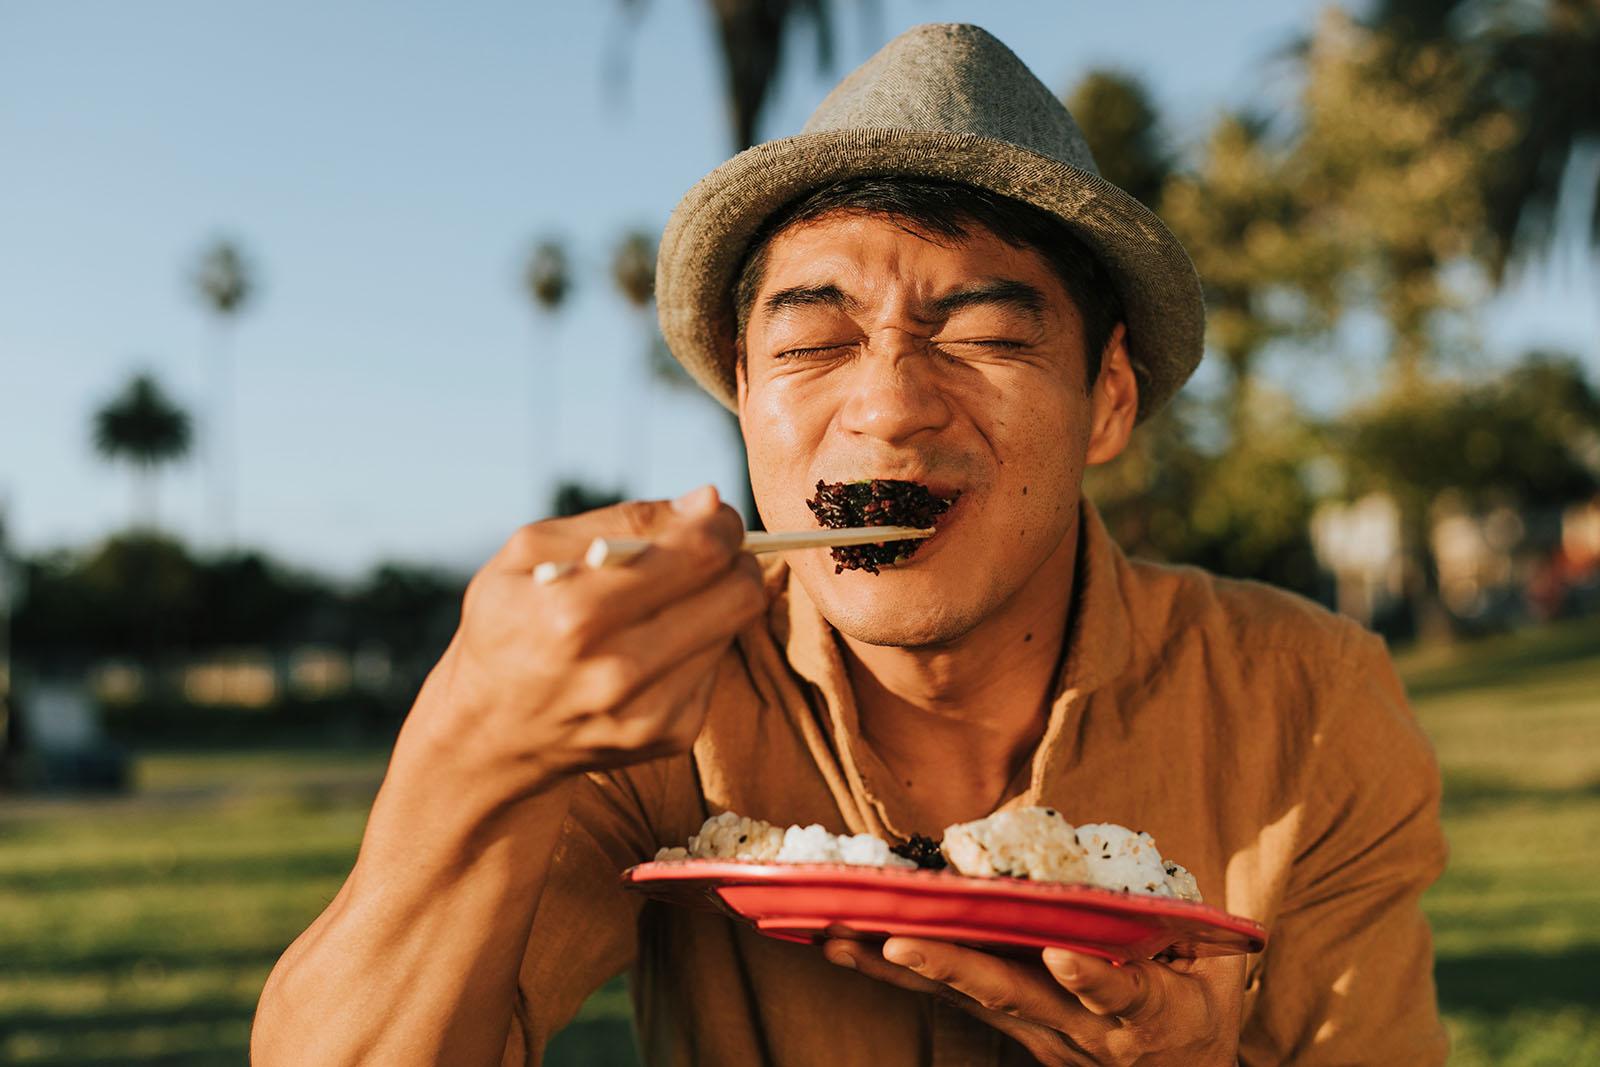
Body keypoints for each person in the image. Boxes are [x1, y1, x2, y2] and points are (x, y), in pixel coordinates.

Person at [251, 23, 1447, 1067]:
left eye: (982, 335)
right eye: (812, 345)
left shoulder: (1309, 699)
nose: (885, 406)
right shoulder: (650, 701)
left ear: (1110, 401)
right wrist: (476, 743)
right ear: (740, 391)